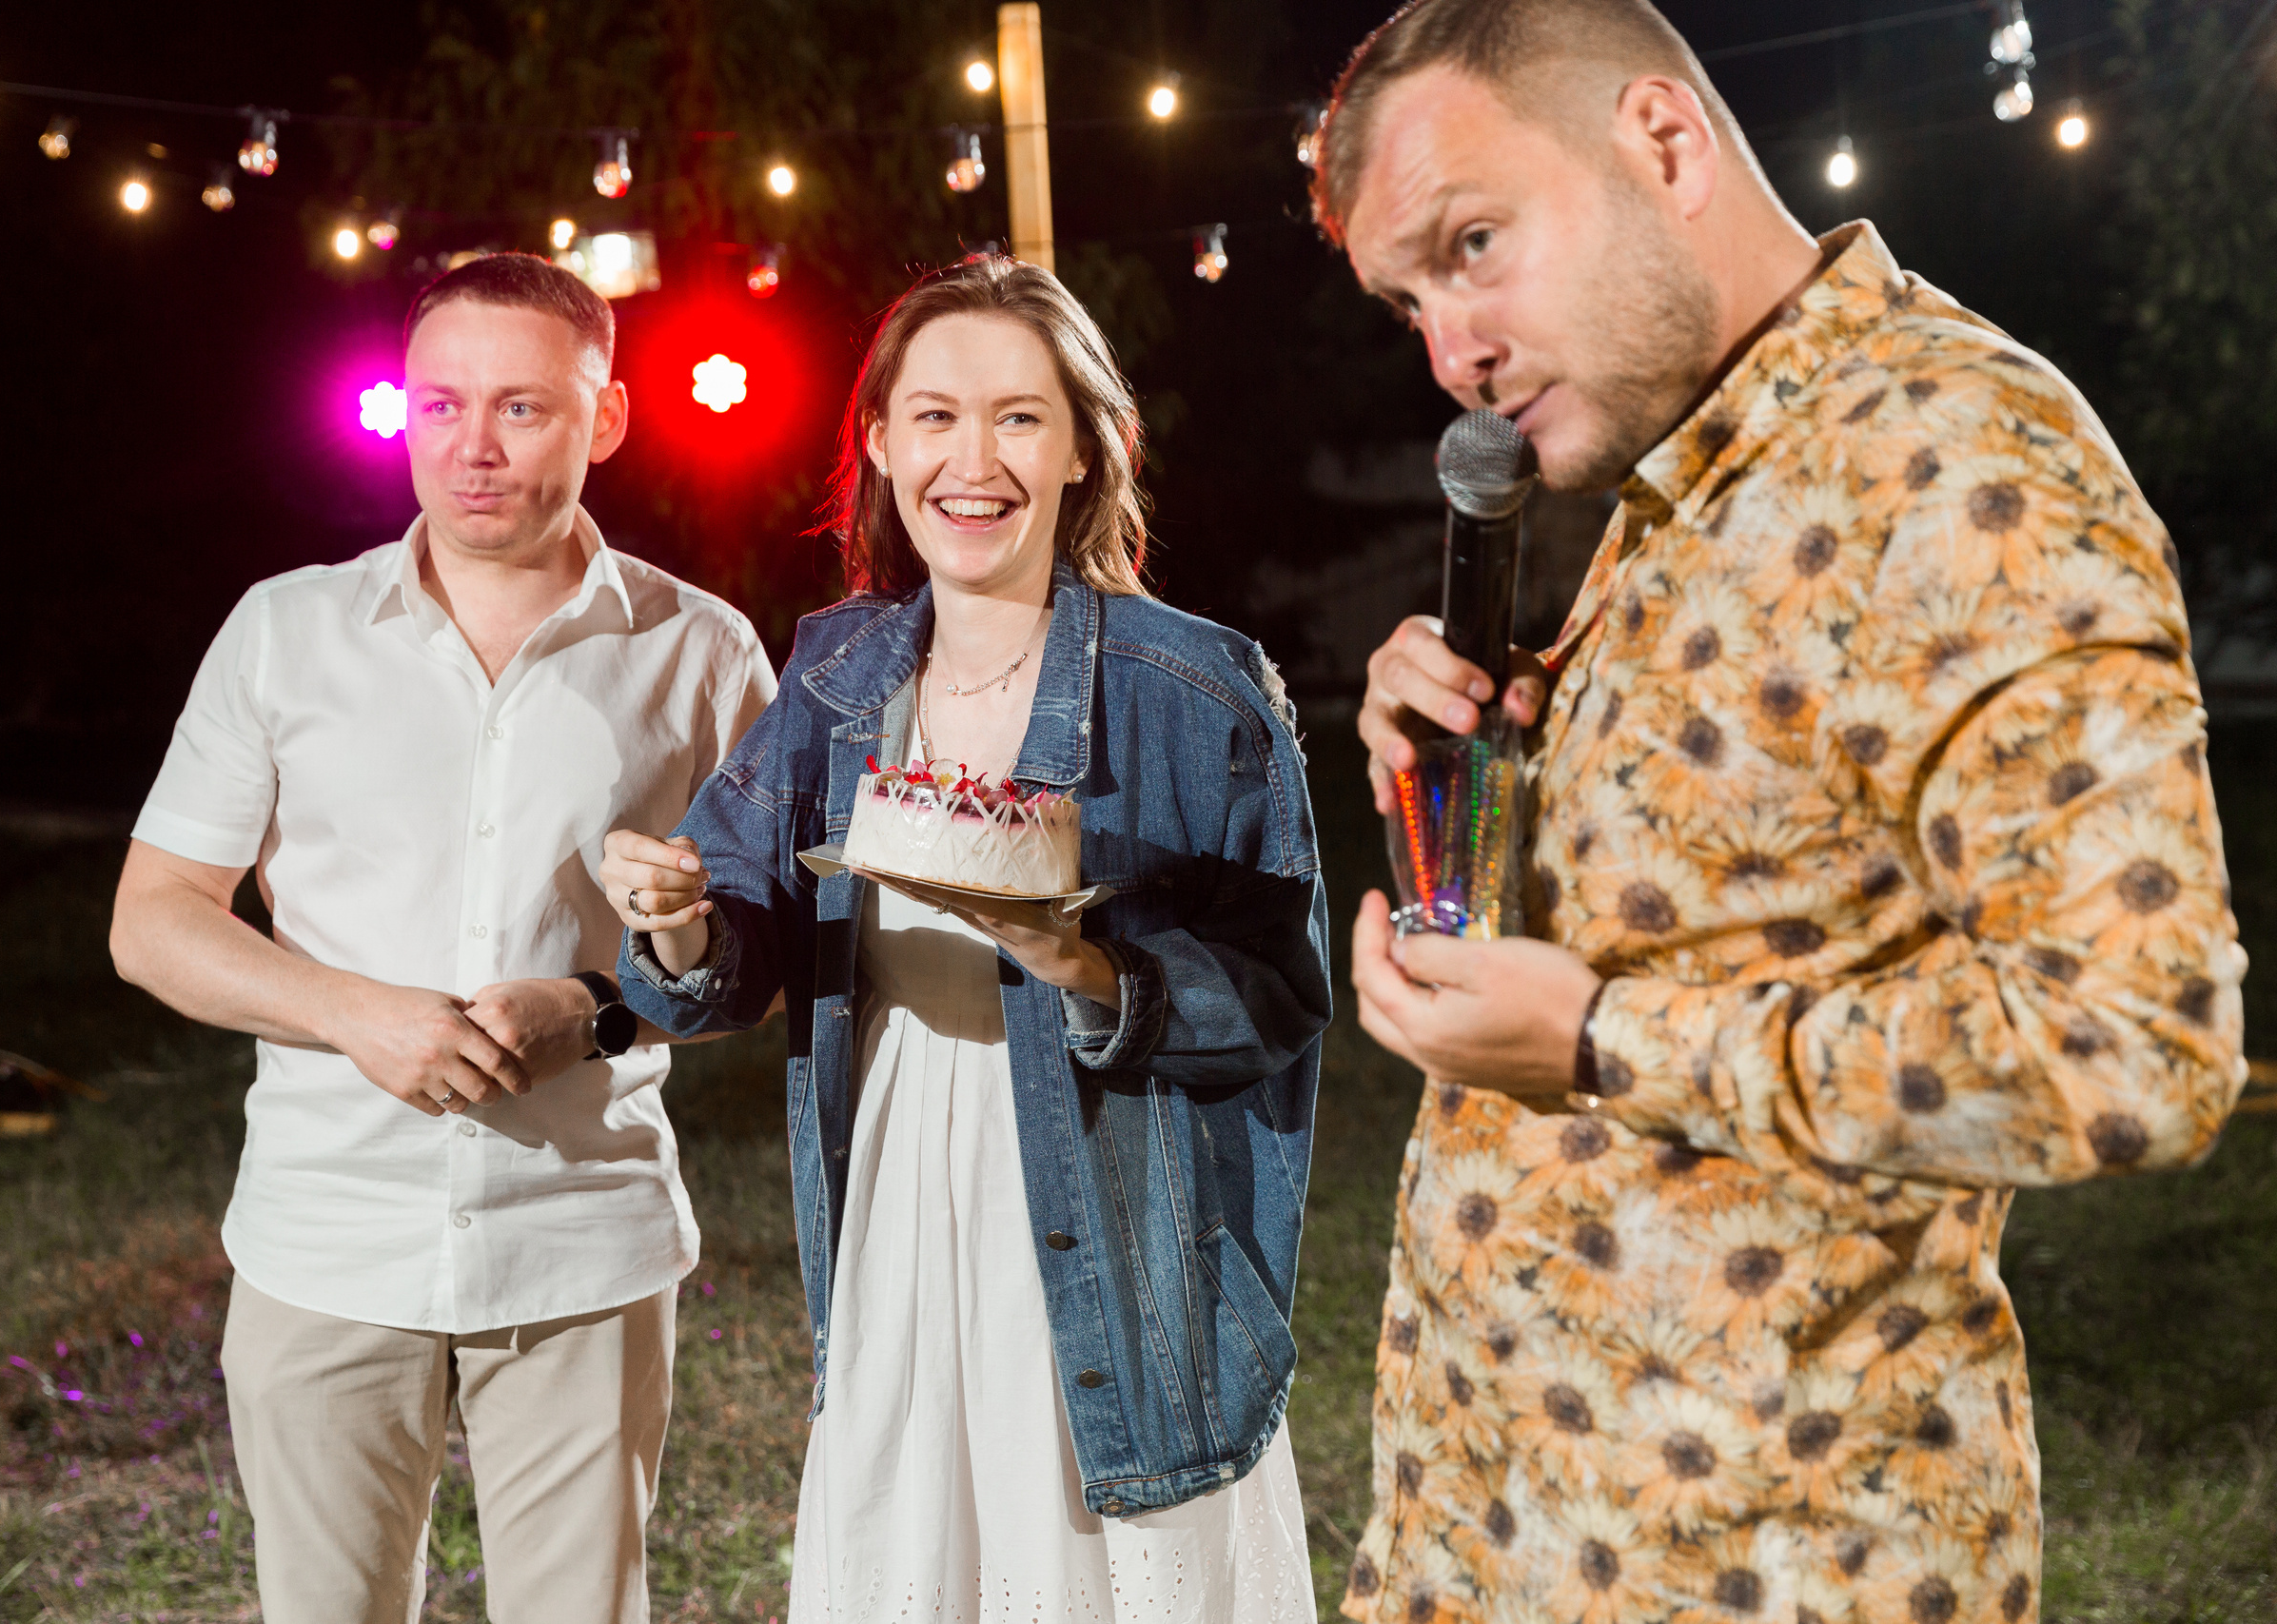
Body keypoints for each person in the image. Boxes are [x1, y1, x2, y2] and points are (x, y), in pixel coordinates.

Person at [1311, 3, 2248, 1621]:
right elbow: (1712, 892)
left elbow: (2136, 1051)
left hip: (1774, 1564)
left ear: (1663, 143)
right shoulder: (1691, 468)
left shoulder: (1953, 462)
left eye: (1474, 245)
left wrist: (1603, 1042)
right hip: (1500, 1534)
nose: (1450, 351)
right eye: (1410, 299)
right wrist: (1466, 777)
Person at [599, 254, 1328, 1621]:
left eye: (1017, 416)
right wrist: (683, 920)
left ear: (1083, 450)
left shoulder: (1199, 688)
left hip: (1116, 1210)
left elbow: (1282, 999)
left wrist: (1090, 969)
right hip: (899, 1176)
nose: (970, 458)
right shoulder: (836, 673)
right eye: (932, 416)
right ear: (878, 444)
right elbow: (730, 947)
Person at [108, 253, 775, 1624]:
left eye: (522, 408)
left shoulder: (701, 653)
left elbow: (763, 962)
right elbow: (155, 920)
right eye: (437, 405)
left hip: (583, 1234)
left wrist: (593, 1006)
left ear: (607, 419)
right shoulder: (286, 632)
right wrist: (360, 1015)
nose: (471, 447)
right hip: (327, 1232)